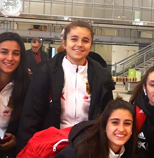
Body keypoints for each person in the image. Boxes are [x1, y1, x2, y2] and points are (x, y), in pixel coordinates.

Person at [18, 20, 114, 150]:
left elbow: (107, 116)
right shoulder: (45, 74)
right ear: (64, 43)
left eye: (85, 41)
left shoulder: (102, 77)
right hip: (53, 146)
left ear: (91, 46)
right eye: (74, 39)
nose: (79, 44)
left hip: (89, 147)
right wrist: (26, 150)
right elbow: (31, 117)